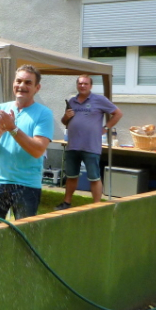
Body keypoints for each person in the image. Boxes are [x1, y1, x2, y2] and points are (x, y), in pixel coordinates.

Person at [0, 65, 54, 227]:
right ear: (13, 84)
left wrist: (12, 128)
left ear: (37, 88)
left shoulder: (44, 113)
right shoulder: (0, 109)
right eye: (18, 81)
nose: (22, 86)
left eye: (28, 82)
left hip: (27, 185)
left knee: (23, 233)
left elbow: (37, 150)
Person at [55, 74, 123, 210]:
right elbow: (64, 122)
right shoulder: (72, 101)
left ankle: (96, 206)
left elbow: (118, 113)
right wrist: (66, 116)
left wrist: (106, 128)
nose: (82, 86)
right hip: (73, 145)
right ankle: (66, 203)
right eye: (80, 83)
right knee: (71, 176)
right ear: (77, 85)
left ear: (91, 86)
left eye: (85, 83)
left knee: (94, 177)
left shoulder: (99, 100)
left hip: (91, 146)